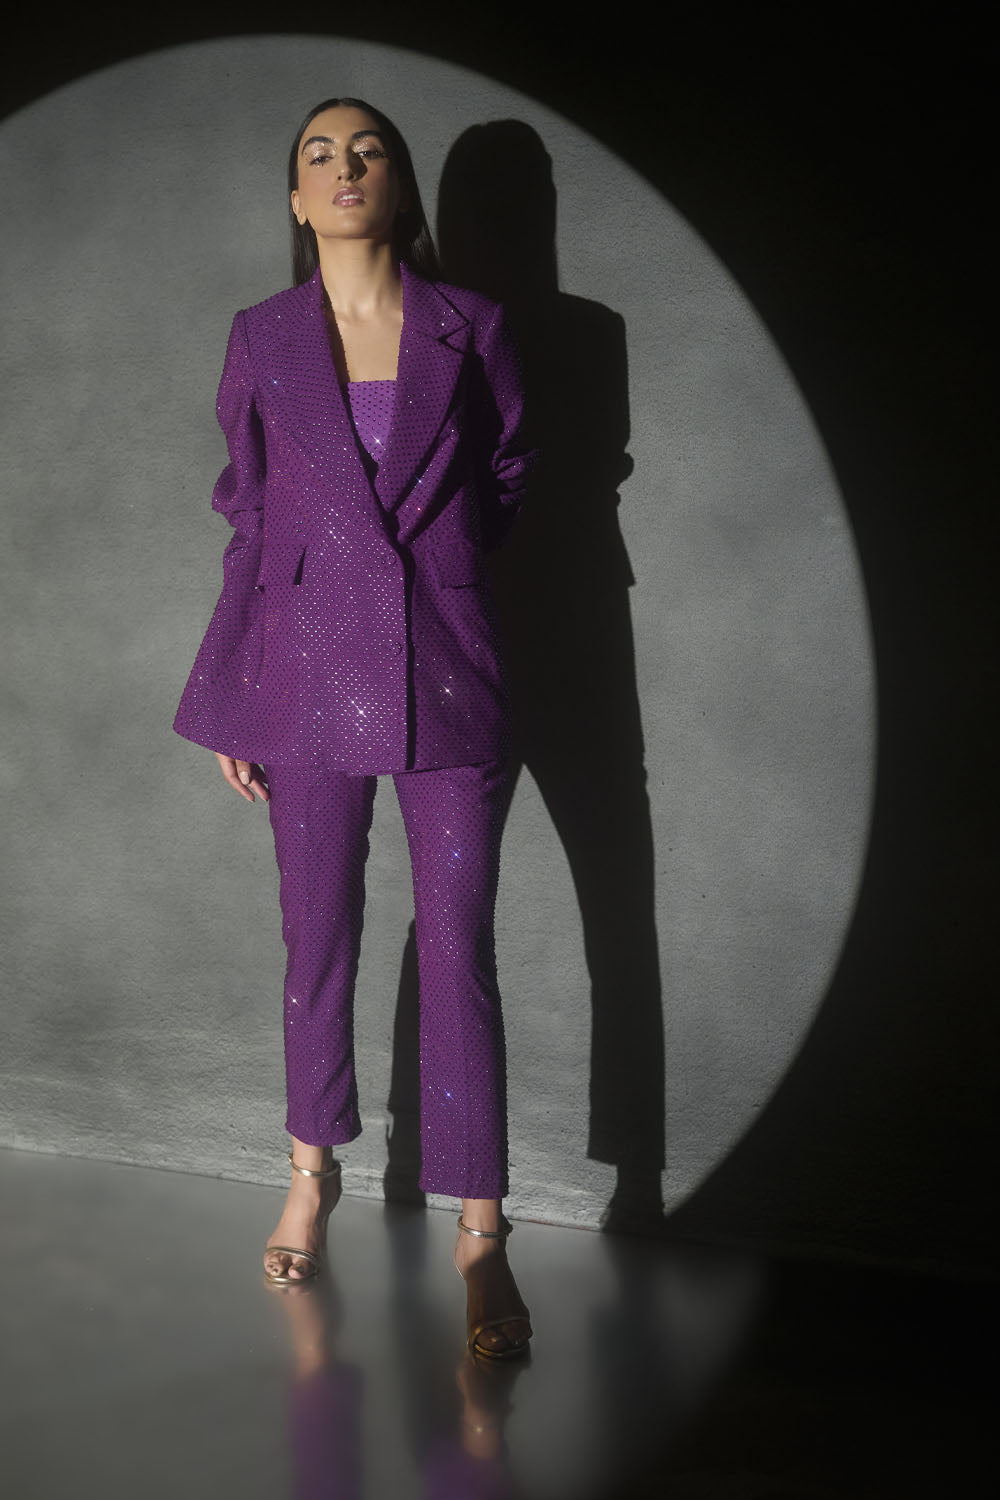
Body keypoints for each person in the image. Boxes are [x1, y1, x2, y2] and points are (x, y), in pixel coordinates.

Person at [173, 97, 534, 1360]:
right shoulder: (261, 336)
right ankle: (310, 1176)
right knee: (315, 938)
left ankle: (481, 1234)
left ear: (401, 185)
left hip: (448, 670)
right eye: (318, 154)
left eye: (367, 149)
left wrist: (434, 581)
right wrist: (236, 688)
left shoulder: (472, 325)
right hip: (303, 675)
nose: (344, 167)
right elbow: (249, 513)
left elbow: (507, 478)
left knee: (459, 949)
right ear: (294, 196)